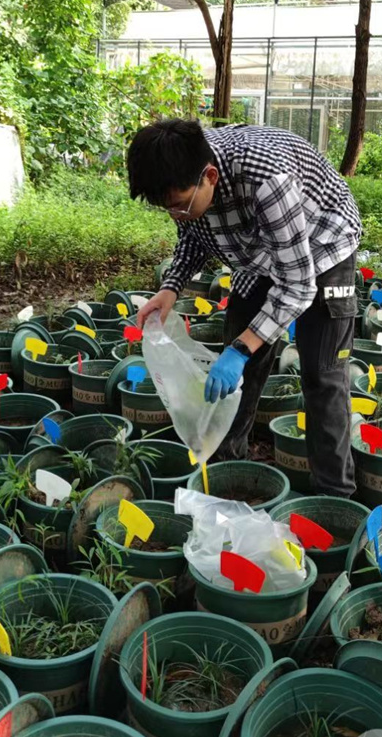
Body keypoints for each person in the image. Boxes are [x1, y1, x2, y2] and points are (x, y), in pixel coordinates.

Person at [128, 120, 362, 498]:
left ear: (210, 176)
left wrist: (241, 347)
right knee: (239, 372)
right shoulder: (185, 172)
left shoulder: (267, 179)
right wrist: (170, 289)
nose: (176, 215)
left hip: (322, 245)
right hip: (257, 255)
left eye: (179, 205)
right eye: (166, 208)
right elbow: (193, 235)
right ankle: (227, 469)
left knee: (323, 376)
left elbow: (298, 285)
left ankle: (334, 498)